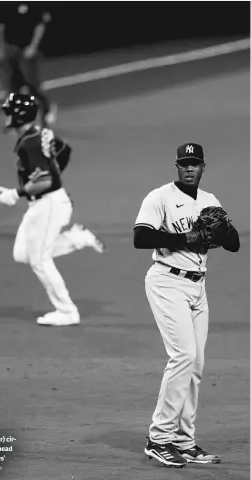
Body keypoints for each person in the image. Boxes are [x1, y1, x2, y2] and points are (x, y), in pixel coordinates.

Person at [133, 142, 240, 468]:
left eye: (195, 163)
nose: (189, 168)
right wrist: (185, 239)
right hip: (167, 281)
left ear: (203, 166)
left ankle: (184, 440)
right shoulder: (159, 197)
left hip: (197, 288)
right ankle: (159, 438)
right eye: (184, 164)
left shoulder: (210, 201)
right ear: (177, 166)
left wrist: (222, 231)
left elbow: (234, 243)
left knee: (195, 366)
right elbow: (141, 237)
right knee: (183, 356)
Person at [0, 92, 106, 326]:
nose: (5, 116)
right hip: (47, 202)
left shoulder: (29, 144)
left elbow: (44, 181)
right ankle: (78, 238)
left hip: (48, 204)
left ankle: (67, 312)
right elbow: (64, 151)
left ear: (18, 115)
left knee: (40, 261)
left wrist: (16, 193)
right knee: (22, 253)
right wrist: (53, 176)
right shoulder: (39, 133)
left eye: (8, 111)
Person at [0, 3, 56, 127]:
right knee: (12, 86)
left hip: (27, 49)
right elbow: (1, 26)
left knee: (32, 85)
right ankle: (16, 118)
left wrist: (33, 46)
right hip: (11, 48)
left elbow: (40, 25)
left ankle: (46, 112)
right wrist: (1, 48)